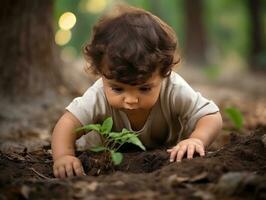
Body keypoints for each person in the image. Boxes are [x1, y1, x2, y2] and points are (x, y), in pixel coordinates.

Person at [51, 5, 223, 179]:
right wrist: (64, 156)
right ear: (101, 74)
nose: (131, 99)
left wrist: (197, 139)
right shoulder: (98, 95)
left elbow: (210, 116)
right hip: (105, 161)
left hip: (163, 159)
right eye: (118, 89)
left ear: (164, 72)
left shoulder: (173, 88)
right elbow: (67, 124)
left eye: (144, 88)